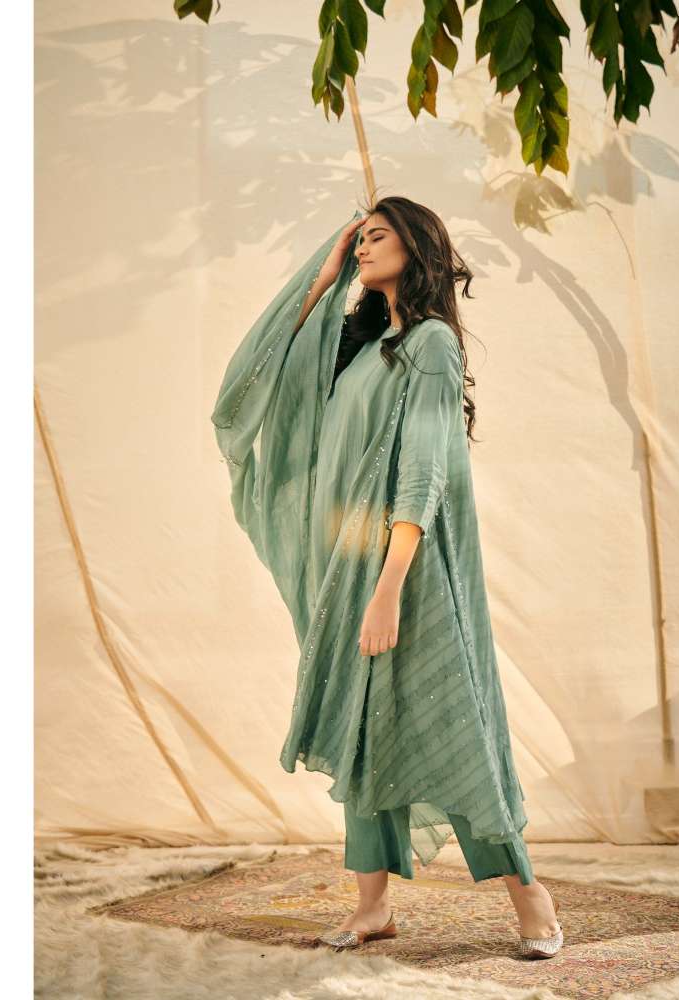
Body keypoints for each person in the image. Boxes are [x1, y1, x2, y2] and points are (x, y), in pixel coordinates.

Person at [211, 197, 562, 959]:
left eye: (376, 237)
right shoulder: (361, 347)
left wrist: (388, 589)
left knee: (454, 725)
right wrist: (328, 269)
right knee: (361, 728)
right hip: (344, 567)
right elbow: (262, 369)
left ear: (416, 246)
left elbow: (424, 472)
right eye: (358, 239)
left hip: (405, 571)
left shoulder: (429, 345)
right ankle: (372, 906)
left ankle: (530, 897)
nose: (363, 248)